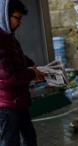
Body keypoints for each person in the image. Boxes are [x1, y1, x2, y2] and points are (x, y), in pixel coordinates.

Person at [0, 0, 44, 146]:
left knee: (30, 138)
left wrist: (31, 64)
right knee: (11, 141)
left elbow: (17, 57)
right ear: (4, 16)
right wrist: (33, 73)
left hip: (18, 101)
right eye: (17, 18)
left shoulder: (8, 37)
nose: (19, 23)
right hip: (6, 104)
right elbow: (9, 77)